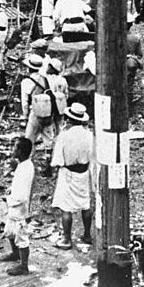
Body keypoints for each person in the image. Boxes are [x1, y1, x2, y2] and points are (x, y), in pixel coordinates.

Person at [52, 103, 93, 249]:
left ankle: (67, 239)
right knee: (85, 204)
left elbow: (57, 160)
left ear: (68, 119)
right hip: (84, 172)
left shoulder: (64, 136)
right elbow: (92, 155)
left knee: (66, 207)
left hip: (68, 172)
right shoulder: (89, 135)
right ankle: (87, 235)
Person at [1, 137, 35, 276]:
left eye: (15, 148)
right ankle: (15, 254)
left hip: (19, 208)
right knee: (9, 231)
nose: (12, 150)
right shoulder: (23, 165)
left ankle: (24, 266)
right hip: (14, 207)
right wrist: (11, 189)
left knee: (21, 237)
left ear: (20, 152)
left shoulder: (26, 169)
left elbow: (21, 196)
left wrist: (9, 198)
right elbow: (18, 186)